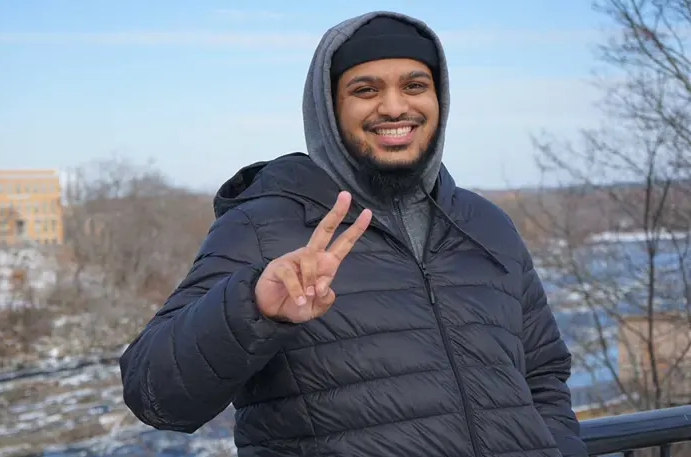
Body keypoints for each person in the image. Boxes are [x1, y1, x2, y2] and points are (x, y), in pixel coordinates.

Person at [120, 10, 587, 457]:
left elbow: (543, 375)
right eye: (365, 89)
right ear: (329, 107)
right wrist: (255, 308)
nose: (394, 106)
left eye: (415, 85)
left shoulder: (487, 225)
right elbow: (154, 394)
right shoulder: (262, 225)